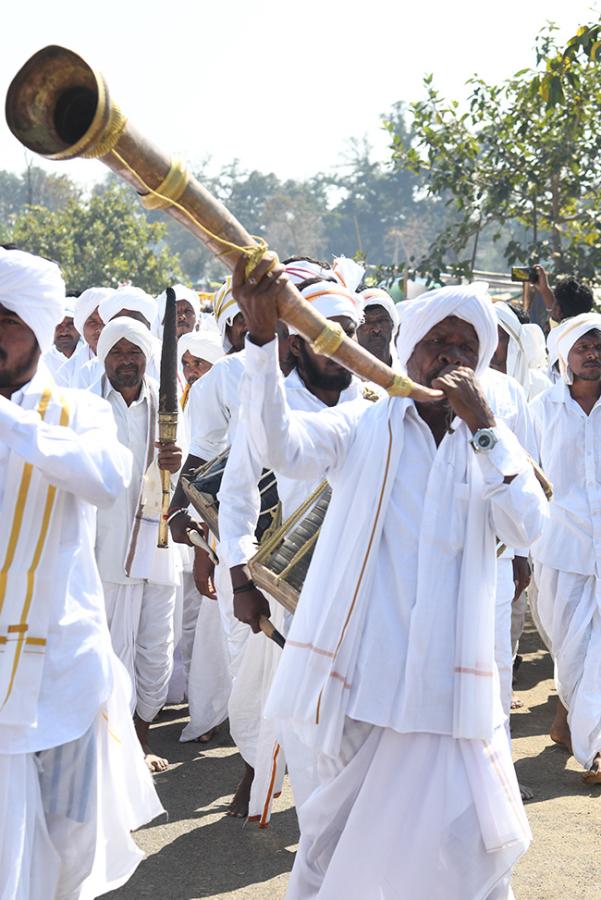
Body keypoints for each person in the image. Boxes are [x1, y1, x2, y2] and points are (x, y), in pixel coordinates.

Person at [233, 253, 548, 899]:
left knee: (467, 846)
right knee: (332, 840)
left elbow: (528, 528)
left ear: (485, 360)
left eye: (465, 345)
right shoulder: (365, 422)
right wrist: (263, 343)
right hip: (361, 682)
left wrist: (484, 426)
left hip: (448, 693)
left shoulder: (493, 441)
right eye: (436, 342)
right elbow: (280, 449)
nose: (449, 355)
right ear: (407, 351)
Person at [0, 248, 163, 898]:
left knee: (71, 848)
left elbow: (106, 477)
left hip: (64, 680)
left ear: (40, 328)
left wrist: (10, 420)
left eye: (7, 320)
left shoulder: (79, 413)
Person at [218, 279, 365, 821]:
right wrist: (240, 582)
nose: (341, 343)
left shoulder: (377, 405)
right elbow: (235, 499)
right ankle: (281, 789)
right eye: (326, 334)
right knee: (291, 711)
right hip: (289, 588)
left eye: (348, 333)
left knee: (354, 718)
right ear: (297, 342)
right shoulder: (269, 404)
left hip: (364, 590)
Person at [95, 317, 182, 773]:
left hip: (158, 549)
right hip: (104, 553)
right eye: (117, 352)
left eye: (134, 353)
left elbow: (186, 474)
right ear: (104, 356)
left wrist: (176, 461)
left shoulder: (168, 405)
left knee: (155, 651)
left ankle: (139, 745)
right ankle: (106, 750)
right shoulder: (88, 405)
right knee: (104, 654)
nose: (126, 362)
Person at [530, 313, 601, 783]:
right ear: (564, 357)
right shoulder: (540, 410)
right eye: (583, 348)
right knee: (571, 650)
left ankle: (594, 749)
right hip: (560, 548)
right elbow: (526, 478)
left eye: (598, 346)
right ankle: (570, 721)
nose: (593, 355)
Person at [55, 286, 114, 388]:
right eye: (92, 322)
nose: (99, 328)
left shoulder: (132, 362)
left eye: (105, 321)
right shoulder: (67, 372)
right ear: (81, 325)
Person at [357, 286, 400, 366]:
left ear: (393, 324)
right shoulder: (342, 375)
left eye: (383, 321)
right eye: (367, 322)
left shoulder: (409, 372)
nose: (376, 329)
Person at [42, 295, 80, 378]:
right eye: (58, 324)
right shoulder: (41, 362)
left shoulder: (92, 356)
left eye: (70, 324)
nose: (64, 330)